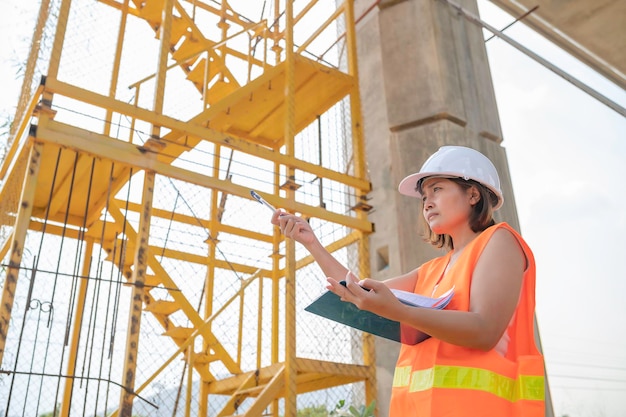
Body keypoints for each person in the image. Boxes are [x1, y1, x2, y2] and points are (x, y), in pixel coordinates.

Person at [271, 145, 545, 416]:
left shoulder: (499, 241)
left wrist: (400, 311)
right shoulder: (431, 270)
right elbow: (355, 288)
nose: (427, 203)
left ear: (473, 194)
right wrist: (311, 242)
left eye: (437, 189)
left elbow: (485, 331)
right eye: (423, 196)